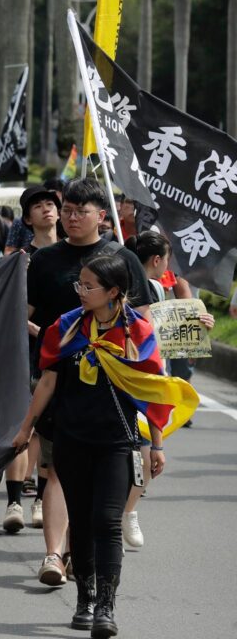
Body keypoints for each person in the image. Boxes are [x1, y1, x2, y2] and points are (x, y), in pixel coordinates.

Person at [12, 253, 191, 639]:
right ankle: (85, 598)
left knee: (107, 523)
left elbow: (154, 390)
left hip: (117, 441)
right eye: (79, 283)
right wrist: (26, 429)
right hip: (71, 438)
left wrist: (156, 444)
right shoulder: (66, 326)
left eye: (88, 286)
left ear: (113, 292)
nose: (81, 291)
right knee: (80, 519)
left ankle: (106, 606)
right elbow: (47, 382)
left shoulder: (137, 332)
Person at [25, 178, 153, 583]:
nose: (71, 218)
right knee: (57, 468)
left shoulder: (121, 258)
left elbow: (145, 318)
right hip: (56, 376)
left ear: (102, 215)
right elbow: (22, 311)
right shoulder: (45, 260)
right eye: (67, 211)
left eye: (81, 212)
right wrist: (46, 337)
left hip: (113, 387)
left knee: (100, 477)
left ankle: (84, 552)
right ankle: (53, 556)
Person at [121, 231, 213, 548]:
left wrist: (197, 324)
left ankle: (128, 511)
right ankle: (112, 514)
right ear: (157, 259)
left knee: (149, 455)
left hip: (154, 379)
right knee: (125, 453)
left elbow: (167, 334)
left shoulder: (159, 288)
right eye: (167, 259)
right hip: (122, 376)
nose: (168, 265)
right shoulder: (120, 282)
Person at [17, 185, 61, 255]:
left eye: (49, 204)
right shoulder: (23, 257)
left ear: (58, 214)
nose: (46, 209)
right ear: (28, 219)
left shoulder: (72, 250)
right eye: (38, 206)